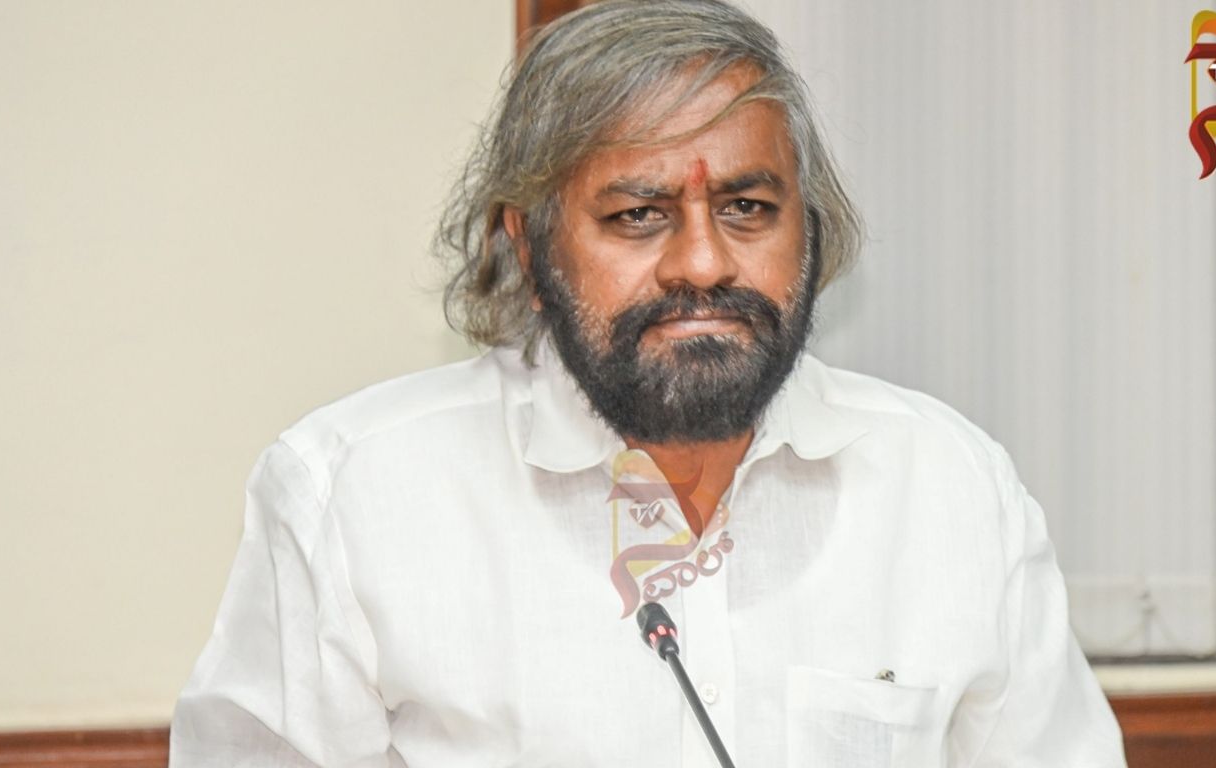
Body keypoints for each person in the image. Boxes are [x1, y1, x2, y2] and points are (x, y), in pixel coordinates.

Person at [170, 1, 1126, 765]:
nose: (703, 262)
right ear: (529, 247)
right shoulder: (352, 495)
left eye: (747, 206)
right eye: (638, 215)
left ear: (810, 230)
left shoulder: (950, 487)